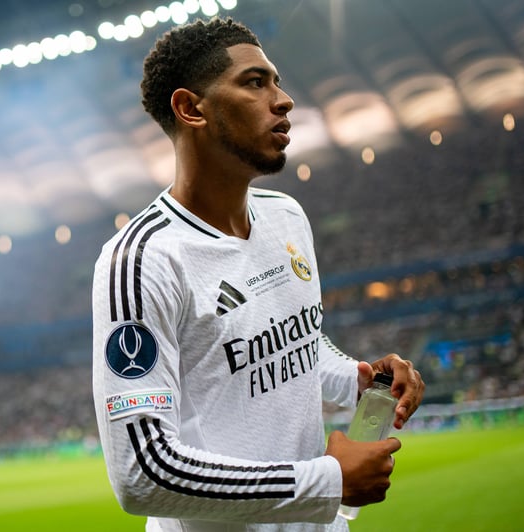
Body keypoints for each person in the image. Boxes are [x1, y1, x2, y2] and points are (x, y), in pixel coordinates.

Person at [91, 17, 425, 531]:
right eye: (255, 83)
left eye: (277, 81)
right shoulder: (143, 261)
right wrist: (325, 482)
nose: (284, 99)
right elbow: (142, 472)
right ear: (191, 108)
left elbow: (297, 342)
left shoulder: (286, 216)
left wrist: (356, 379)